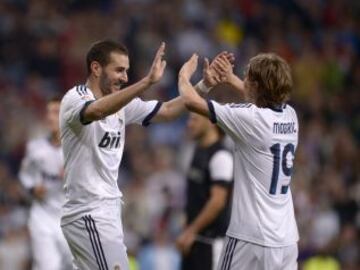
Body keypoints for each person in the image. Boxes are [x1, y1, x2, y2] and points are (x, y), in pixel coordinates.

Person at [59, 39, 232, 270]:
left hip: (106, 211)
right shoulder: (76, 98)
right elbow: (98, 110)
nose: (124, 77)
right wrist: (146, 82)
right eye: (119, 70)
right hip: (88, 211)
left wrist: (203, 86)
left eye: (127, 71)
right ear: (96, 68)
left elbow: (169, 111)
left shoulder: (121, 105)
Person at [178, 53, 299, 270]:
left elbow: (190, 101)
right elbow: (264, 99)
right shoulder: (291, 116)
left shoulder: (250, 119)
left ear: (255, 85)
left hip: (249, 237)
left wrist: (184, 75)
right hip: (286, 239)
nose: (243, 81)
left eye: (246, 77)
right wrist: (230, 77)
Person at [19, 97, 73, 270]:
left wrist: (73, 176)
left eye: (56, 112)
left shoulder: (77, 149)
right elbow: (25, 176)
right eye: (48, 112)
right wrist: (32, 189)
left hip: (71, 219)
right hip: (42, 217)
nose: (50, 117)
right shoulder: (35, 147)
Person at [176, 112, 233, 270]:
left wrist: (190, 231)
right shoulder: (197, 150)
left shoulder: (221, 155)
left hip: (212, 244)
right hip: (194, 241)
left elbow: (218, 201)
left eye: (194, 119)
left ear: (210, 121)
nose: (189, 124)